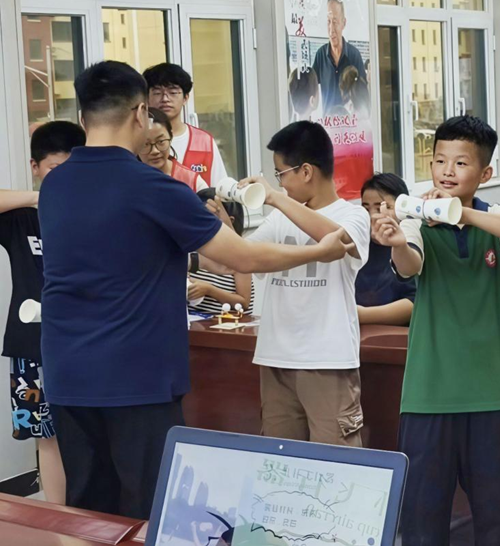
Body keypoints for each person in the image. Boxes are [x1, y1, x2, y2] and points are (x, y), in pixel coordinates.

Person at [39, 61, 353, 520]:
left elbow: (124, 251)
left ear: (83, 116)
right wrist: (319, 252)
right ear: (140, 113)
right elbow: (241, 257)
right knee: (150, 511)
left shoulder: (55, 184)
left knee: (90, 512)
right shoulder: (153, 187)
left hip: (68, 373)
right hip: (136, 379)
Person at [372, 115, 500, 545]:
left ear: (485, 173)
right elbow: (410, 264)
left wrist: (461, 212)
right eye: (439, 160)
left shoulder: (492, 218)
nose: (446, 171)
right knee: (423, 520)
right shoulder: (416, 218)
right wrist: (396, 242)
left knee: (495, 517)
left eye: (461, 163)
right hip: (430, 392)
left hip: (493, 390)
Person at [240, 120, 370, 446]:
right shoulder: (279, 217)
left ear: (307, 171)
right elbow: (243, 256)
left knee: (336, 464)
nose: (280, 183)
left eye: (281, 174)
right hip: (275, 358)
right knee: (280, 460)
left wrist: (274, 198)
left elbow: (336, 240)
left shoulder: (354, 215)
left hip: (327, 361)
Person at [0, 121, 85, 505]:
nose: (63, 179)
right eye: (54, 169)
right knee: (46, 437)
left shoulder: (93, 213)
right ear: (35, 167)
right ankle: (59, 517)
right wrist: (39, 197)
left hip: (86, 340)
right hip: (31, 343)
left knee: (90, 433)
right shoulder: (22, 217)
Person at [143, 63, 228, 187]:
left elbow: (219, 187)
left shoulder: (204, 141)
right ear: (146, 98)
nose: (165, 99)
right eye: (157, 93)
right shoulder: (137, 140)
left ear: (185, 98)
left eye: (173, 92)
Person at [356, 174, 415, 326]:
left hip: (400, 335)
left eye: (381, 208)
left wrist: (362, 315)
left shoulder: (413, 243)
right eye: (366, 208)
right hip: (358, 333)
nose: (372, 216)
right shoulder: (357, 244)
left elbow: (415, 301)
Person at [187, 189, 254, 315]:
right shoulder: (192, 249)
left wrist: (209, 290)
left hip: (229, 324)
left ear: (230, 221)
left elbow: (244, 302)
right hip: (195, 323)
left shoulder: (240, 254)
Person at [312, 0, 367, 116]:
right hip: (328, 125)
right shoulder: (320, 56)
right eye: (328, 22)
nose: (331, 30)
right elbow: (311, 92)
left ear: (343, 23)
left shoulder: (354, 56)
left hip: (349, 125)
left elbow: (363, 97)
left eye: (335, 22)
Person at [140, 108, 207, 192]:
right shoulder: (129, 181)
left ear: (171, 136)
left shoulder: (192, 181)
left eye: (161, 141)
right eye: (146, 144)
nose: (155, 151)